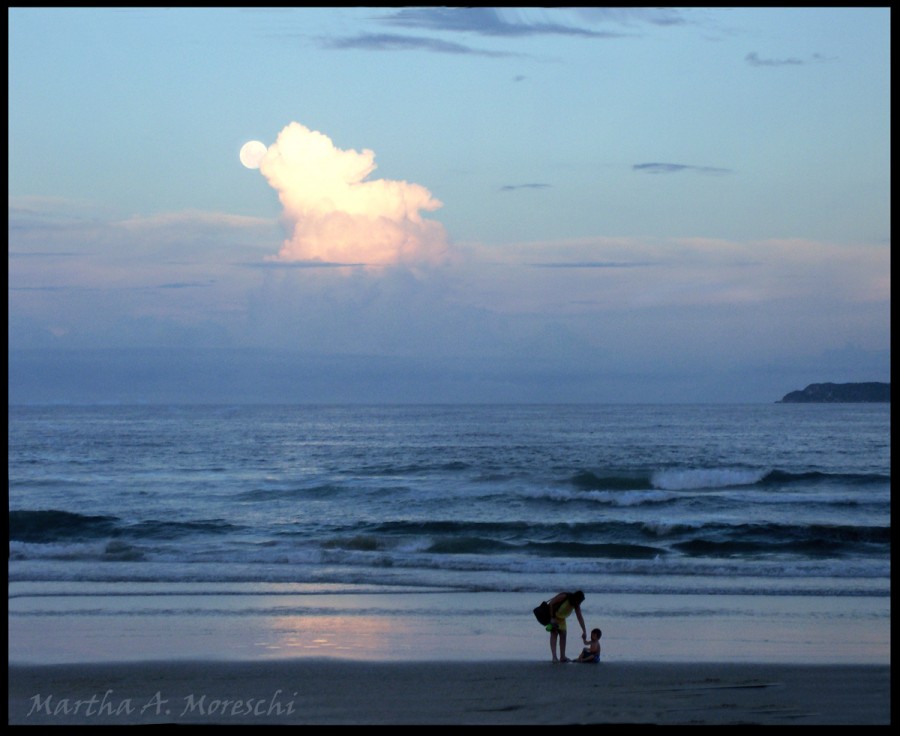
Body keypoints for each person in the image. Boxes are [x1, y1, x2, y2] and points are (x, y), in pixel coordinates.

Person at [546, 590, 586, 662]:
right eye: (579, 601)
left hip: (562, 619)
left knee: (563, 636)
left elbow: (580, 617)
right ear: (576, 598)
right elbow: (551, 604)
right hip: (554, 616)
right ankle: (554, 657)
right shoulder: (564, 597)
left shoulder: (576, 605)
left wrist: (584, 631)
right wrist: (552, 618)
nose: (579, 603)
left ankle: (562, 657)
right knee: (554, 635)